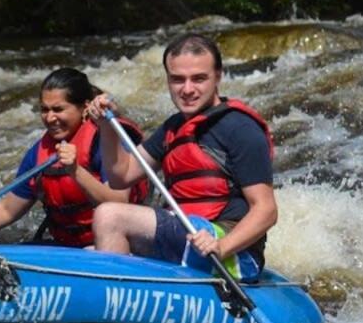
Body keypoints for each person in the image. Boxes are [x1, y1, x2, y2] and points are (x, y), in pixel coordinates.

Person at [85, 33, 276, 279]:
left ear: (218, 76)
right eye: (177, 80)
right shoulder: (173, 128)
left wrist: (221, 247)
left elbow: (266, 210)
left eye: (198, 79)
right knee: (90, 252)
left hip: (231, 253)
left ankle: (116, 308)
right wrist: (107, 127)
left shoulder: (240, 128)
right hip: (189, 237)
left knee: (110, 216)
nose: (187, 89)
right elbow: (123, 175)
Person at [0, 68, 148, 247]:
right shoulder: (39, 152)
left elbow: (119, 203)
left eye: (58, 109)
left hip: (116, 244)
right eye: (44, 110)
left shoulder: (106, 141)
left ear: (84, 108)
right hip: (67, 246)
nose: (50, 118)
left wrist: (76, 171)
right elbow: (7, 210)